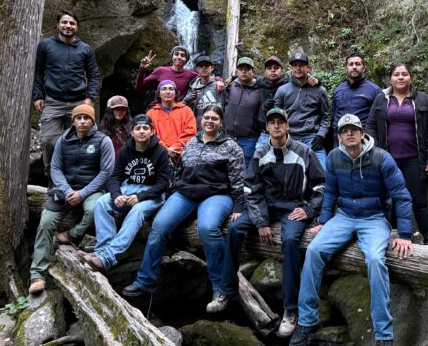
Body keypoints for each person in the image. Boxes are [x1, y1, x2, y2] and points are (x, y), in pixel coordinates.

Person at [290, 114, 413, 346]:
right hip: (344, 216)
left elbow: (402, 196)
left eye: (353, 129)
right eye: (345, 130)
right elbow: (331, 193)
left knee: (376, 260)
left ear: (362, 133)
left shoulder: (382, 158)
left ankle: (384, 335)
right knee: (314, 251)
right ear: (339, 136)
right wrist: (324, 221)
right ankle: (307, 321)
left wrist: (405, 235)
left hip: (374, 218)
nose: (350, 133)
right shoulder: (334, 158)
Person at [207, 108, 326, 338]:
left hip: (293, 207)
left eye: (281, 122)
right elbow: (251, 189)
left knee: (290, 241)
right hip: (266, 206)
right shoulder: (261, 153)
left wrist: (309, 209)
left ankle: (290, 310)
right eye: (272, 123)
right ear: (267, 128)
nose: (276, 126)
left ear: (287, 126)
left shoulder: (304, 151)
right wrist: (261, 222)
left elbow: (321, 186)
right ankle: (226, 289)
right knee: (233, 229)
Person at [122, 105, 245, 308]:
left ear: (221, 122)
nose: (210, 121)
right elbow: (179, 171)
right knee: (159, 225)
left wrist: (238, 206)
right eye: (206, 117)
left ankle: (221, 288)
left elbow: (239, 180)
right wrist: (174, 192)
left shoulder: (231, 147)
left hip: (217, 195)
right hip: (186, 193)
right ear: (200, 120)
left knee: (207, 228)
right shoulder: (191, 142)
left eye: (215, 118)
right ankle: (145, 281)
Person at [29, 104, 114, 295]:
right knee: (45, 223)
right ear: (73, 120)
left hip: (91, 190)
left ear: (93, 121)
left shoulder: (103, 141)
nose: (82, 121)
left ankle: (73, 234)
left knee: (94, 210)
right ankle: (37, 275)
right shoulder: (63, 140)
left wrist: (82, 193)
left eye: (86, 118)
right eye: (79, 118)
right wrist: (67, 191)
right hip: (64, 191)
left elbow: (106, 172)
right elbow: (55, 168)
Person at [82, 114, 170, 272]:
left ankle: (108, 257)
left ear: (152, 132)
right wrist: (116, 195)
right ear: (132, 132)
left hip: (152, 194)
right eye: (138, 128)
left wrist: (140, 197)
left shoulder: (161, 152)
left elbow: (163, 184)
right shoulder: (125, 150)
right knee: (101, 203)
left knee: (137, 211)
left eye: (145, 128)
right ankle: (101, 252)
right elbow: (114, 177)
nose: (142, 131)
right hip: (129, 188)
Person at [365, 63, 428, 245]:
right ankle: (395, 237)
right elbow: (370, 126)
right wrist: (374, 153)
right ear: (390, 78)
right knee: (390, 200)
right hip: (387, 159)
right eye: (396, 74)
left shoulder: (422, 99)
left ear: (410, 78)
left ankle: (427, 239)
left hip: (415, 158)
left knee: (419, 201)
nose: (400, 77)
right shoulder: (381, 99)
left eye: (404, 74)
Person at [32, 11, 100, 179]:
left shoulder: (85, 49)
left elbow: (93, 75)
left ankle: (75, 178)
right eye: (65, 22)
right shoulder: (46, 46)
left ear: (77, 27)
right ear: (58, 25)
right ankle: (52, 178)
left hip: (78, 103)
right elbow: (38, 72)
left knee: (78, 142)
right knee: (48, 141)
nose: (68, 26)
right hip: (53, 102)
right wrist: (38, 96)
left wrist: (90, 98)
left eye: (72, 23)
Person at [274, 52, 330, 169]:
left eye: (301, 65)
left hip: (311, 138)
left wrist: (320, 135)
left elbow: (326, 117)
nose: (298, 68)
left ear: (308, 68)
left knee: (323, 171)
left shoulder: (319, 90)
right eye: (295, 65)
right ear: (291, 68)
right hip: (288, 138)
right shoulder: (282, 90)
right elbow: (276, 117)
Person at [255, 56, 320, 152]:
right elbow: (247, 76)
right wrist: (233, 77)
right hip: (265, 132)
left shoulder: (287, 83)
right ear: (265, 71)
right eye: (269, 68)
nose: (273, 71)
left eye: (276, 68)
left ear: (282, 70)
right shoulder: (260, 83)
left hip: (284, 131)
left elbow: (303, 76)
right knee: (258, 159)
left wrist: (317, 81)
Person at [135, 46, 224, 106]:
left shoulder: (191, 75)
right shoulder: (160, 70)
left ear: (187, 60)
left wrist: (218, 79)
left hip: (177, 110)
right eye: (176, 54)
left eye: (183, 55)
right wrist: (142, 69)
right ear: (172, 56)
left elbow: (206, 75)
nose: (179, 57)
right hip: (158, 108)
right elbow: (139, 86)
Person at [331, 52, 380, 146]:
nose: (354, 67)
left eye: (358, 64)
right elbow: (333, 115)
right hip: (339, 140)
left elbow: (379, 118)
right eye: (351, 64)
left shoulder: (374, 90)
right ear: (346, 68)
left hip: (364, 140)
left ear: (363, 68)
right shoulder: (338, 90)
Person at [224, 57, 264, 166]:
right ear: (237, 71)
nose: (244, 71)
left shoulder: (260, 89)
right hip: (228, 137)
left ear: (253, 71)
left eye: (247, 69)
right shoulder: (231, 86)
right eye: (241, 68)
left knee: (246, 168)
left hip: (249, 139)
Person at [145, 80, 197, 162]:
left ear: (176, 93)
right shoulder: (151, 113)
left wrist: (176, 148)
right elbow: (150, 135)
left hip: (183, 156)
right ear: (158, 93)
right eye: (164, 89)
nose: (168, 92)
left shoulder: (186, 111)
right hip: (158, 156)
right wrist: (165, 150)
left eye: (171, 89)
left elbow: (191, 132)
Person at [184, 55, 224, 130]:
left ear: (212, 68)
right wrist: (187, 99)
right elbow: (184, 108)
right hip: (197, 128)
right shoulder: (192, 88)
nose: (204, 67)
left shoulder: (220, 86)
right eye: (201, 66)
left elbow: (228, 106)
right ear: (196, 69)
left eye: (207, 65)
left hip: (217, 129)